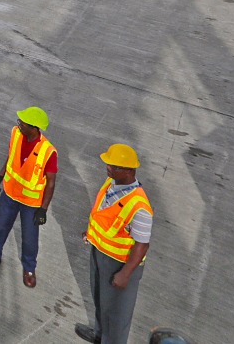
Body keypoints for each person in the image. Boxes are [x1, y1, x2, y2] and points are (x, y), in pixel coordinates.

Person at [75, 144, 153, 344]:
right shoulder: (110, 184)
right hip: (99, 253)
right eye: (109, 164)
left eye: (114, 166)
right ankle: (100, 335)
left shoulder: (140, 206)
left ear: (130, 170)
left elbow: (142, 244)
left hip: (120, 263)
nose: (108, 168)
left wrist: (125, 273)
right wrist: (91, 233)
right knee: (100, 300)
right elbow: (104, 216)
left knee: (117, 314)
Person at [0, 106, 57, 288]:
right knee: (0, 226)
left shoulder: (48, 152)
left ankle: (29, 269)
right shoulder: (16, 133)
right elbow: (11, 156)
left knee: (30, 237)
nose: (18, 124)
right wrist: (0, 176)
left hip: (31, 203)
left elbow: (50, 183)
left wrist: (43, 209)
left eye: (22, 123)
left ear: (33, 127)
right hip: (10, 194)